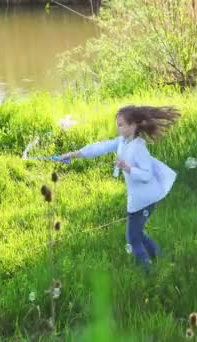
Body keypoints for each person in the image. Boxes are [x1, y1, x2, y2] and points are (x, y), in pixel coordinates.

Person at [56, 105, 180, 274]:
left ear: (133, 126)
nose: (118, 128)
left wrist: (127, 168)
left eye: (121, 125)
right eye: (118, 124)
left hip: (144, 200)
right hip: (139, 198)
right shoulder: (123, 141)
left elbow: (147, 175)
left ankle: (148, 273)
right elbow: (99, 148)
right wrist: (72, 154)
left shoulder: (138, 147)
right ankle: (159, 258)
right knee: (138, 234)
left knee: (132, 238)